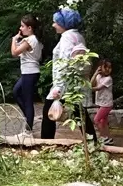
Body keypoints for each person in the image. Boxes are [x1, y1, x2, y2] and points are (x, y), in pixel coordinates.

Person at [41, 8, 97, 142]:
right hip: (76, 83)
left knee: (48, 113)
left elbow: (64, 63)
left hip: (65, 84)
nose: (53, 25)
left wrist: (57, 88)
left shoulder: (66, 38)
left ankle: (46, 144)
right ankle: (92, 142)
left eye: (55, 22)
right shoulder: (78, 36)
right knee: (80, 114)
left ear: (63, 23)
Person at [10, 14, 43, 136]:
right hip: (28, 72)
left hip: (30, 72)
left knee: (28, 100)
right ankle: (29, 118)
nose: (20, 28)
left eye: (23, 26)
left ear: (30, 28)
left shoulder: (30, 40)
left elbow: (14, 52)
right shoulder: (33, 39)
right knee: (16, 92)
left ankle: (28, 130)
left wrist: (14, 39)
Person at [91, 60, 115, 146]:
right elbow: (91, 84)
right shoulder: (99, 77)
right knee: (103, 122)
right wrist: (95, 73)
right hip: (101, 103)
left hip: (106, 104)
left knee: (96, 120)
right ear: (100, 67)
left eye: (110, 67)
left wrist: (86, 89)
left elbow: (97, 88)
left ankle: (104, 137)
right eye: (106, 67)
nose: (108, 69)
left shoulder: (108, 79)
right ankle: (109, 139)